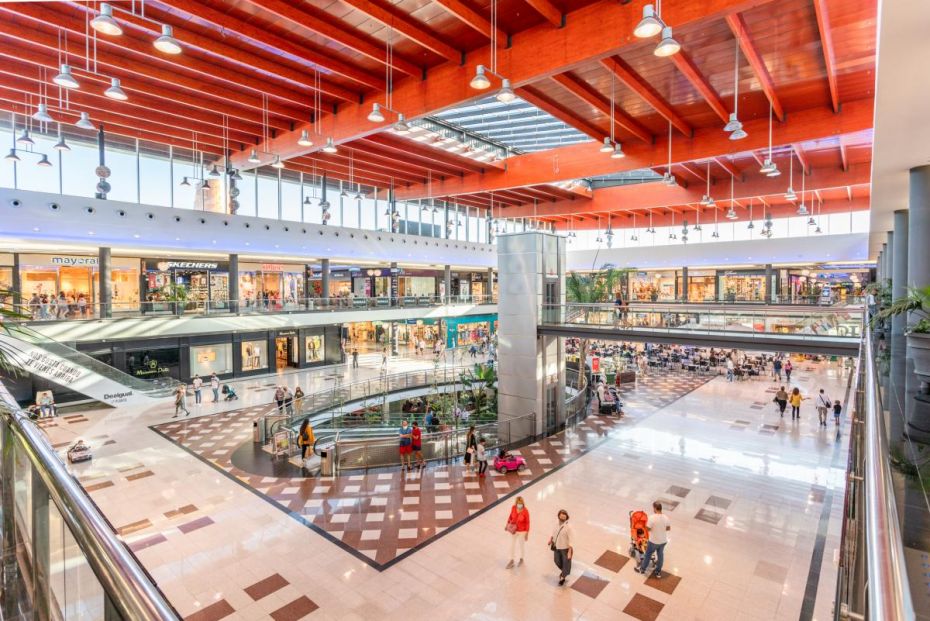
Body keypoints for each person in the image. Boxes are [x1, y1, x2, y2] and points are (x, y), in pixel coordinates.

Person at [635, 501, 671, 579]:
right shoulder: (666, 517)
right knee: (660, 555)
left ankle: (642, 569)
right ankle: (658, 571)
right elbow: (668, 528)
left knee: (648, 555)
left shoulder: (652, 517)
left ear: (655, 508)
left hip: (654, 541)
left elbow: (648, 529)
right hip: (663, 541)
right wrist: (661, 528)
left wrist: (654, 528)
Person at [548, 509, 574, 586]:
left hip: (565, 548)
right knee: (556, 560)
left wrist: (569, 551)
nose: (562, 518)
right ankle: (564, 571)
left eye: (564, 517)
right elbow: (554, 532)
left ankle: (562, 577)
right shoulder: (556, 523)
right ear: (558, 516)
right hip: (557, 546)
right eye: (561, 516)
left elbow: (572, 539)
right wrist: (551, 539)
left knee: (566, 562)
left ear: (566, 517)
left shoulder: (568, 527)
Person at [505, 496, 530, 569]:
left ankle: (521, 558)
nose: (520, 505)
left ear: (523, 503)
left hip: (522, 531)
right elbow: (510, 516)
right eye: (518, 503)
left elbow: (527, 522)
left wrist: (527, 533)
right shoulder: (513, 508)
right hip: (514, 530)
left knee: (521, 545)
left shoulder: (525, 511)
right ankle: (511, 560)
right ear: (516, 503)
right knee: (512, 545)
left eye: (521, 503)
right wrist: (507, 524)